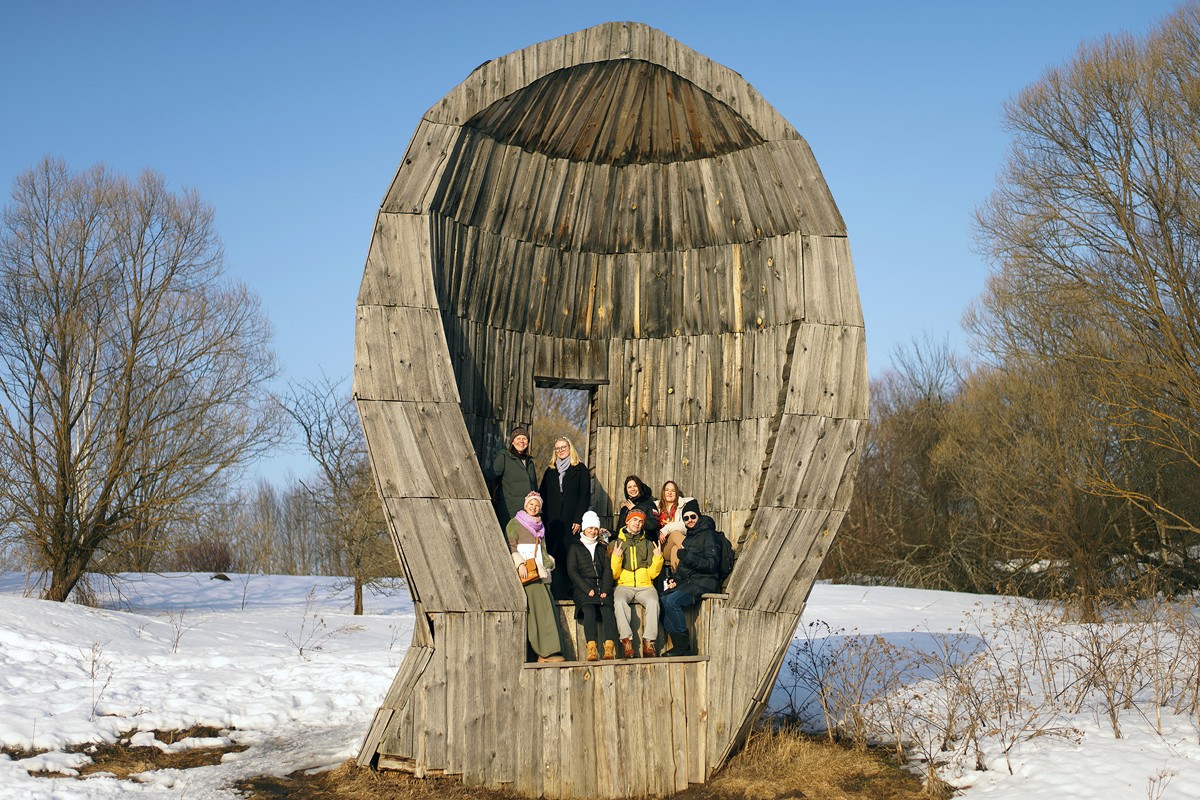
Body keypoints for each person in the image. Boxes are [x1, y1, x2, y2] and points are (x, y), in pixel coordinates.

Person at [505, 492, 565, 663]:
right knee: (541, 607)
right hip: (526, 572)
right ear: (526, 505)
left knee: (549, 607)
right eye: (531, 504)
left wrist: (548, 564)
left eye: (537, 505)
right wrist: (519, 564)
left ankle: (548, 651)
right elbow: (510, 546)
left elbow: (542, 550)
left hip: (540, 571)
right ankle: (547, 652)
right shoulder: (515, 523)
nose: (534, 507)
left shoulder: (540, 526)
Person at [661, 499, 722, 657]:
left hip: (705, 581)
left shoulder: (709, 535)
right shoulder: (689, 537)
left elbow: (711, 564)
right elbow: (686, 569)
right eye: (686, 518)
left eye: (693, 517)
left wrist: (687, 556)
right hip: (691, 581)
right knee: (662, 600)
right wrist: (676, 579)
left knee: (672, 601)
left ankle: (684, 646)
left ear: (699, 516)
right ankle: (678, 644)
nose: (690, 520)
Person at [539, 436, 591, 600]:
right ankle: (555, 592)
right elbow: (543, 495)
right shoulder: (550, 471)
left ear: (570, 448)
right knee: (554, 554)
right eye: (557, 448)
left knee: (570, 555)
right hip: (553, 521)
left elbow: (584, 496)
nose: (561, 450)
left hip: (571, 519)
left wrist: (578, 518)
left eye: (563, 447)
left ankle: (570, 591)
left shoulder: (580, 469)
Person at [610, 508, 663, 658]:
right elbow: (614, 574)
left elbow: (653, 573)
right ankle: (627, 641)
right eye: (635, 520)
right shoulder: (616, 543)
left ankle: (649, 642)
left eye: (640, 521)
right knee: (619, 601)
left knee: (653, 602)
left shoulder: (647, 544)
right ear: (627, 521)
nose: (637, 523)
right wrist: (616, 558)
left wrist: (658, 559)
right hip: (623, 584)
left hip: (645, 585)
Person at [566, 510, 616, 661]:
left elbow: (607, 569)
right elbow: (572, 571)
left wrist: (606, 589)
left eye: (595, 529)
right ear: (584, 529)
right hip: (583, 587)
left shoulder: (601, 548)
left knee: (608, 611)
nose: (593, 531)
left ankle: (609, 648)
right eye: (590, 528)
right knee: (589, 611)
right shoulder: (575, 547)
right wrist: (587, 589)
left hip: (601, 585)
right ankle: (592, 649)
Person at [488, 426, 538, 525]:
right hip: (509, 510)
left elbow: (534, 487)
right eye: (518, 438)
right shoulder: (504, 457)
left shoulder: (529, 462)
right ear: (512, 442)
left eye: (524, 438)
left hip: (527, 512)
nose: (521, 441)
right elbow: (489, 476)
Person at [654, 480, 695, 572]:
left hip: (677, 543)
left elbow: (685, 526)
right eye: (667, 490)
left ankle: (676, 579)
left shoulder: (682, 506)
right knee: (675, 533)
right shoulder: (655, 506)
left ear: (676, 493)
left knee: (676, 549)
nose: (669, 493)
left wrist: (666, 529)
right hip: (661, 547)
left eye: (673, 491)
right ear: (663, 492)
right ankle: (694, 551)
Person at [614, 475, 661, 540]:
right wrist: (608, 533)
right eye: (629, 487)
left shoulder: (649, 503)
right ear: (626, 490)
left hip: (645, 542)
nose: (632, 489)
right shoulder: (625, 508)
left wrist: (636, 510)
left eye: (635, 486)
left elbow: (653, 526)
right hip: (627, 542)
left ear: (639, 487)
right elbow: (619, 531)